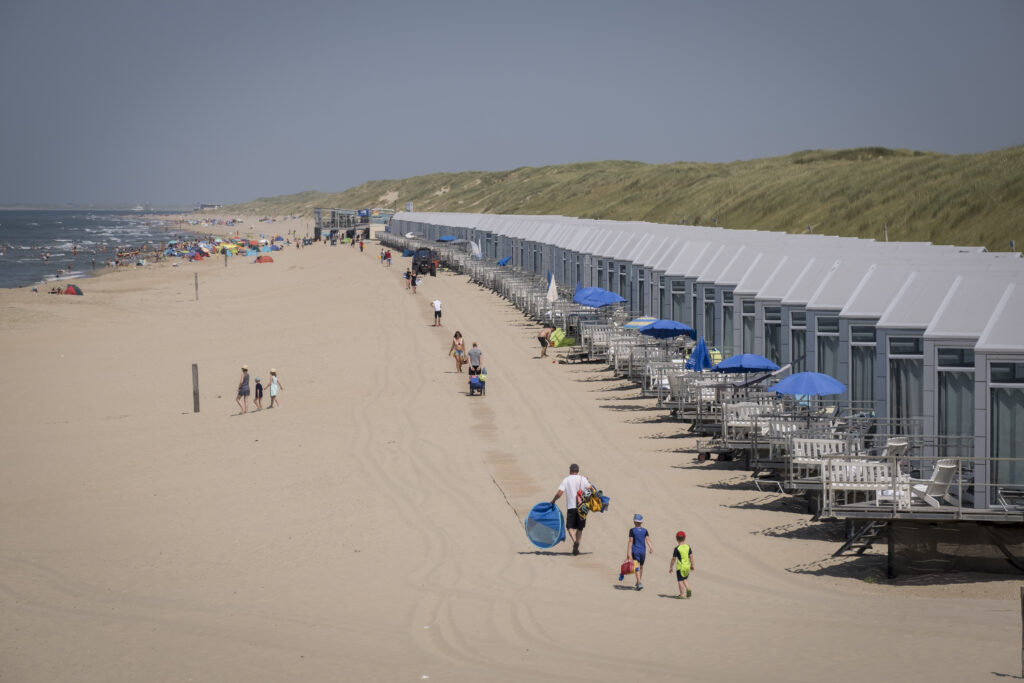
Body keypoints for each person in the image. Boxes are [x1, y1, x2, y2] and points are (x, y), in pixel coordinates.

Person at [550, 464, 593, 555]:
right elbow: (590, 489)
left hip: (571, 506)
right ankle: (577, 543)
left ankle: (575, 542)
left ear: (570, 470)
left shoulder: (566, 479)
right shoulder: (583, 479)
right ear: (577, 471)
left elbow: (559, 493)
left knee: (570, 527)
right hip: (582, 507)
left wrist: (553, 500)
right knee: (580, 528)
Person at [627, 514, 653, 590]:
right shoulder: (645, 530)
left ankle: (639, 582)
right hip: (643, 551)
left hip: (635, 551)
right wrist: (651, 547)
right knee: (641, 566)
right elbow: (647, 540)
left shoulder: (632, 530)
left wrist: (628, 553)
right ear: (641, 522)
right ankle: (639, 581)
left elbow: (630, 541)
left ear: (634, 522)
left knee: (637, 566)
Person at [669, 531, 694, 599]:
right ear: (684, 538)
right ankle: (688, 589)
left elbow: (674, 559)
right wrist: (692, 565)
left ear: (676, 538)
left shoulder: (677, 549)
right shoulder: (688, 547)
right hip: (687, 566)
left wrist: (671, 567)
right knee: (685, 579)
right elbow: (691, 556)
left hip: (680, 567)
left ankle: (682, 594)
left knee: (680, 580)